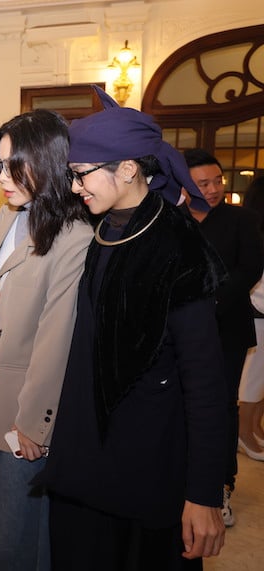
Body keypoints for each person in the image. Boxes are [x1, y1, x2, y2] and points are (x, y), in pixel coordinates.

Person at [38, 87, 228, 569]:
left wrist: (204, 492)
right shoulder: (103, 225)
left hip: (144, 465)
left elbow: (205, 381)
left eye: (81, 176)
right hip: (84, 455)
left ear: (126, 169)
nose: (75, 187)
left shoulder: (177, 245)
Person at [0, 109, 92, 570]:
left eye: (15, 165)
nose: (3, 177)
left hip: (29, 402)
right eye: (1, 164)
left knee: (18, 532)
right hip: (0, 389)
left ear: (50, 162)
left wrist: (36, 422)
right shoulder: (7, 217)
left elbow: (58, 338)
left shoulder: (74, 236)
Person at [184, 148, 264, 525]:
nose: (213, 189)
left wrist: (209, 302)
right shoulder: (172, 220)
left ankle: (221, 486)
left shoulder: (241, 219)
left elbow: (249, 268)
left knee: (221, 407)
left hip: (226, 330)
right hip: (180, 332)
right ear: (185, 185)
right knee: (182, 405)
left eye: (217, 180)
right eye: (203, 183)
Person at [238, 176, 264, 459]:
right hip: (258, 314)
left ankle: (253, 428)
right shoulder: (253, 231)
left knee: (260, 378)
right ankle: (244, 433)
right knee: (252, 380)